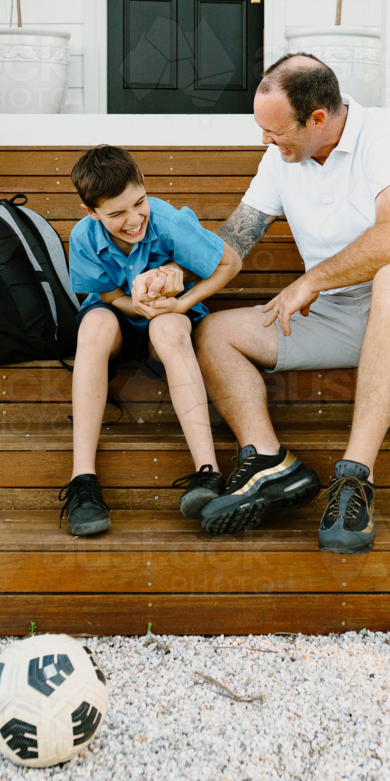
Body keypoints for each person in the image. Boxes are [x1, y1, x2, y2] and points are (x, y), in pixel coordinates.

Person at [182, 53, 390, 552]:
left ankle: (355, 478)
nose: (266, 143)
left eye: (276, 132)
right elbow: (234, 240)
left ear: (318, 118)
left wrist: (313, 279)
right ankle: (270, 463)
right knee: (215, 333)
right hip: (340, 315)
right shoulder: (281, 159)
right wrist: (175, 278)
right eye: (262, 131)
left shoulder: (389, 136)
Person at [59, 144, 241, 536]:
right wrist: (134, 306)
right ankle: (83, 481)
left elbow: (230, 262)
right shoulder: (83, 236)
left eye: (138, 203)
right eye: (116, 213)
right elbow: (106, 295)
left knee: (169, 329)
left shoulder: (166, 219)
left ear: (144, 187)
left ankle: (208, 473)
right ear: (91, 213)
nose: (132, 219)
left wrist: (182, 304)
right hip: (120, 318)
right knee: (93, 328)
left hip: (167, 319)